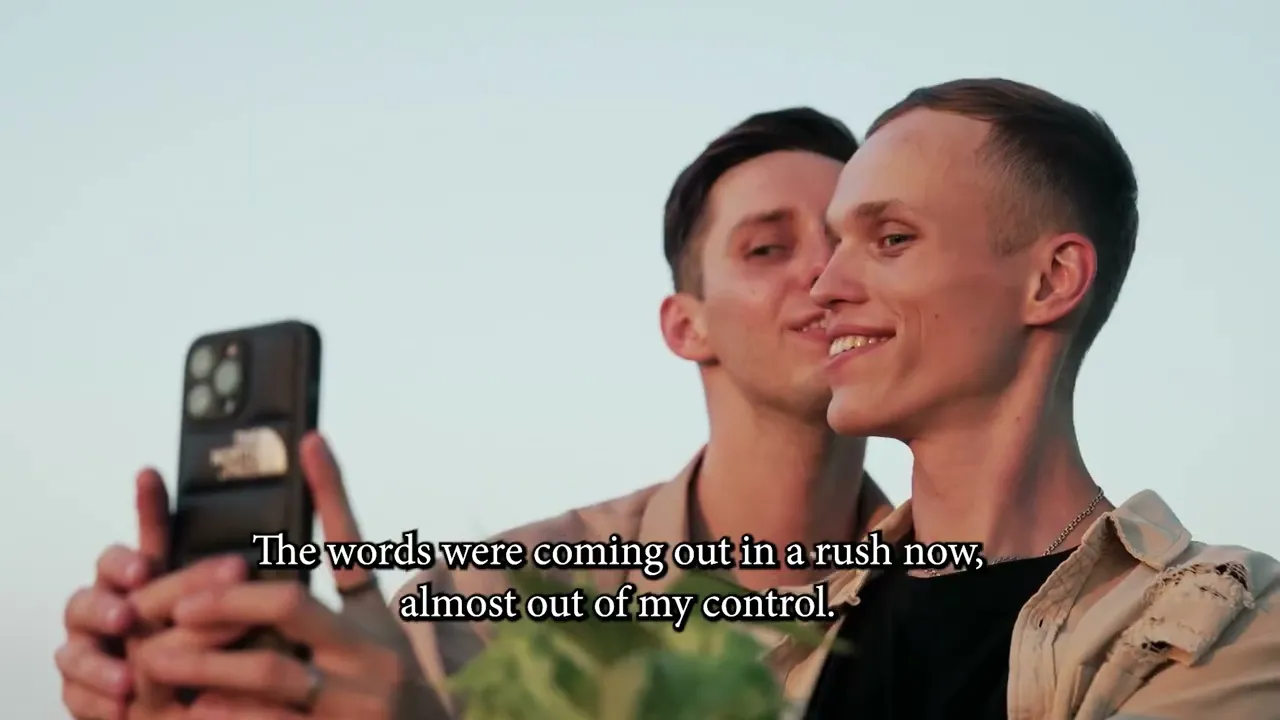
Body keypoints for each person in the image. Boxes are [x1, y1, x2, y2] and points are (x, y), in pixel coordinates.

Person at [56, 107, 895, 719]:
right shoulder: (486, 608)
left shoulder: (959, 603)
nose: (826, 274)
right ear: (686, 327)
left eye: (858, 241)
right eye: (767, 248)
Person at [786, 78, 1280, 719]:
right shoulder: (783, 646)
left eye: (892, 239)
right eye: (837, 246)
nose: (824, 287)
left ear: (1051, 280)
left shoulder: (1229, 622)